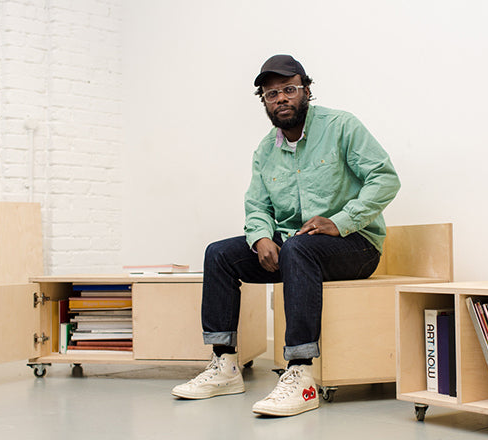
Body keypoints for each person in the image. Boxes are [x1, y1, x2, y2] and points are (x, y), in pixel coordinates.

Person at [171, 54, 401, 417]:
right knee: (219, 254)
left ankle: (300, 372)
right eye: (271, 93)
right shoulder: (266, 150)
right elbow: (256, 206)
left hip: (355, 245)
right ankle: (224, 365)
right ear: (264, 101)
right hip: (297, 247)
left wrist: (340, 221)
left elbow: (385, 179)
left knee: (298, 248)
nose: (281, 98)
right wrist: (261, 237)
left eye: (289, 89)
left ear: (306, 90)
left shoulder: (341, 126)